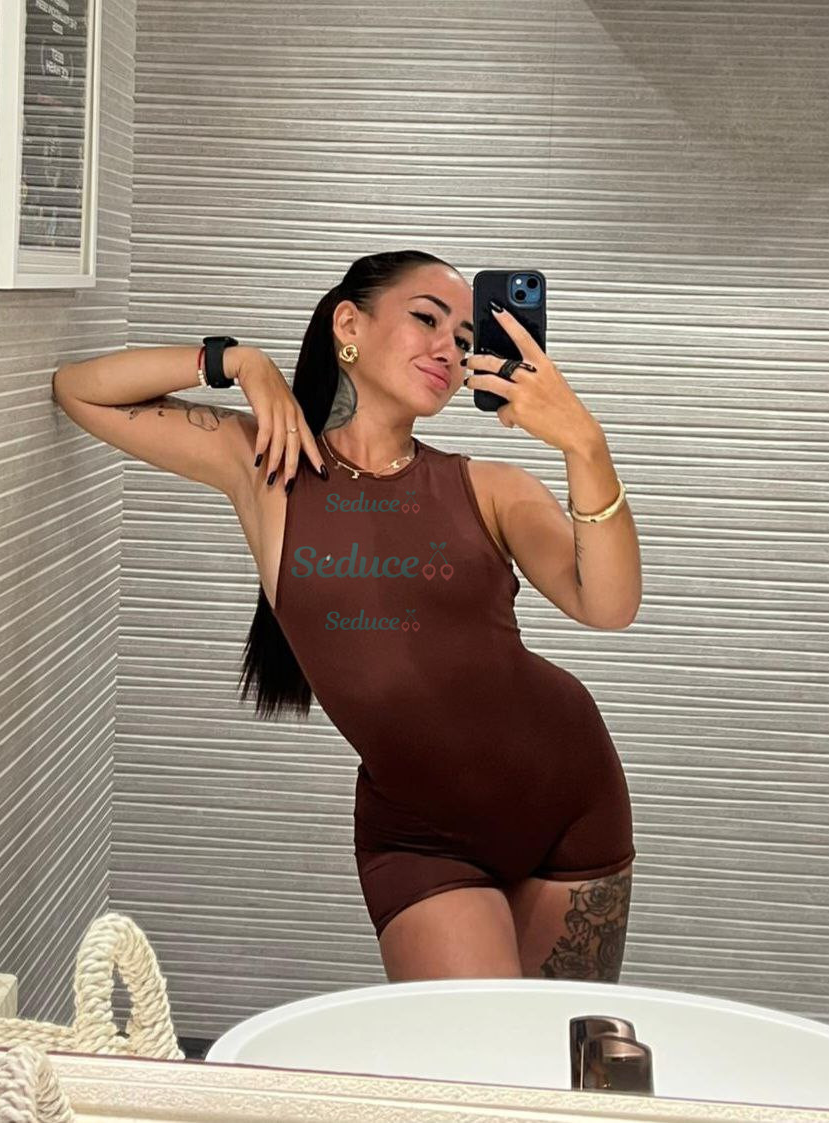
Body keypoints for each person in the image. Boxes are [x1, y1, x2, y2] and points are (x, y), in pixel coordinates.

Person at [52, 250, 641, 983]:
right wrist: (239, 362)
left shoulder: (492, 488)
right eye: (426, 319)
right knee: (464, 1051)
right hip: (420, 837)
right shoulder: (268, 466)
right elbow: (80, 391)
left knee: (558, 1053)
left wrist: (583, 443)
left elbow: (608, 605)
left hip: (569, 799)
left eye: (463, 341)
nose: (448, 349)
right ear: (348, 326)